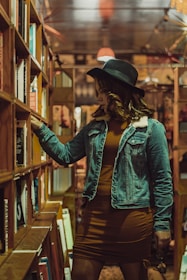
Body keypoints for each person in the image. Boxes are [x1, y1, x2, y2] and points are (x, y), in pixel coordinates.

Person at [31, 59, 173, 280]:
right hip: (94, 218)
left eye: (102, 91)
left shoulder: (151, 129)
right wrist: (40, 129)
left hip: (132, 219)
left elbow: (163, 179)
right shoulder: (94, 128)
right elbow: (66, 155)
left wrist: (163, 223)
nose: (98, 97)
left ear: (116, 92)